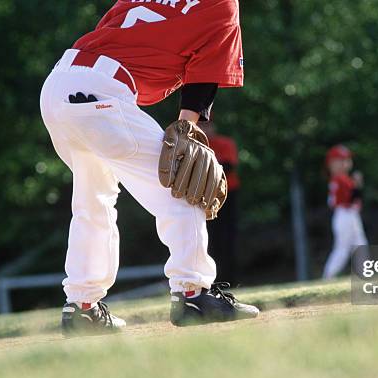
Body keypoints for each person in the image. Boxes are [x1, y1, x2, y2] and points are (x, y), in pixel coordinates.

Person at [39, 0, 258, 336]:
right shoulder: (221, 3)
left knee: (93, 199)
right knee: (182, 188)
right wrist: (187, 130)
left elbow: (110, 34)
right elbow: (205, 73)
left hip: (59, 85)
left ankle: (82, 306)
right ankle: (193, 294)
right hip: (102, 92)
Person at [199, 118, 241, 284]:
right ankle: (213, 280)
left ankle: (230, 278)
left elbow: (229, 166)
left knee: (228, 237)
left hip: (228, 194)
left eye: (207, 124)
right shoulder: (194, 144)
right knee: (210, 238)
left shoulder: (224, 143)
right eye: (201, 124)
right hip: (205, 197)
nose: (205, 128)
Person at [323, 145, 369, 279]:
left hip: (349, 215)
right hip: (344, 214)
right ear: (331, 164)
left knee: (360, 244)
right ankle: (328, 276)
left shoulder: (343, 179)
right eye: (341, 160)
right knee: (343, 248)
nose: (346, 163)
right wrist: (358, 185)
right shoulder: (340, 179)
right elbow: (351, 198)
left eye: (347, 159)